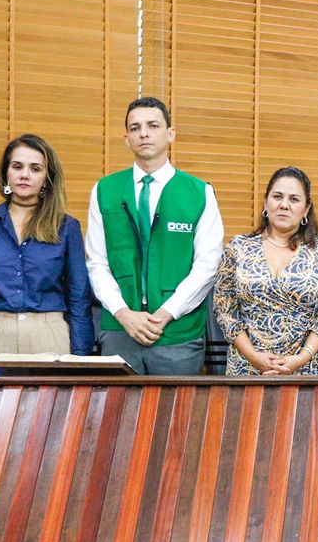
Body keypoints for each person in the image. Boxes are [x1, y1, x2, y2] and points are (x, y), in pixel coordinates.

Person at [86, 96, 225, 374]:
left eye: (153, 125)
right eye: (135, 128)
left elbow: (207, 265)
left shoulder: (199, 193)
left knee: (176, 416)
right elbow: (96, 262)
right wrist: (124, 314)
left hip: (178, 334)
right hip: (120, 331)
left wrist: (166, 313)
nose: (144, 133)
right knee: (117, 416)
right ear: (126, 138)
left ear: (170, 134)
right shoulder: (104, 190)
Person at [0, 135, 94, 374]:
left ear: (47, 178)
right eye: (17, 166)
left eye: (35, 168)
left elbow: (78, 297)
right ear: (6, 173)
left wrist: (80, 357)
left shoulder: (66, 227)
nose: (24, 175)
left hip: (49, 336)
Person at [212, 167, 318, 376]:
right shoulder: (238, 248)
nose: (284, 205)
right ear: (266, 203)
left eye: (294, 199)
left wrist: (300, 359)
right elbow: (224, 310)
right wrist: (254, 357)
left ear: (306, 208)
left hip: (308, 371)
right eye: (277, 197)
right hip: (246, 369)